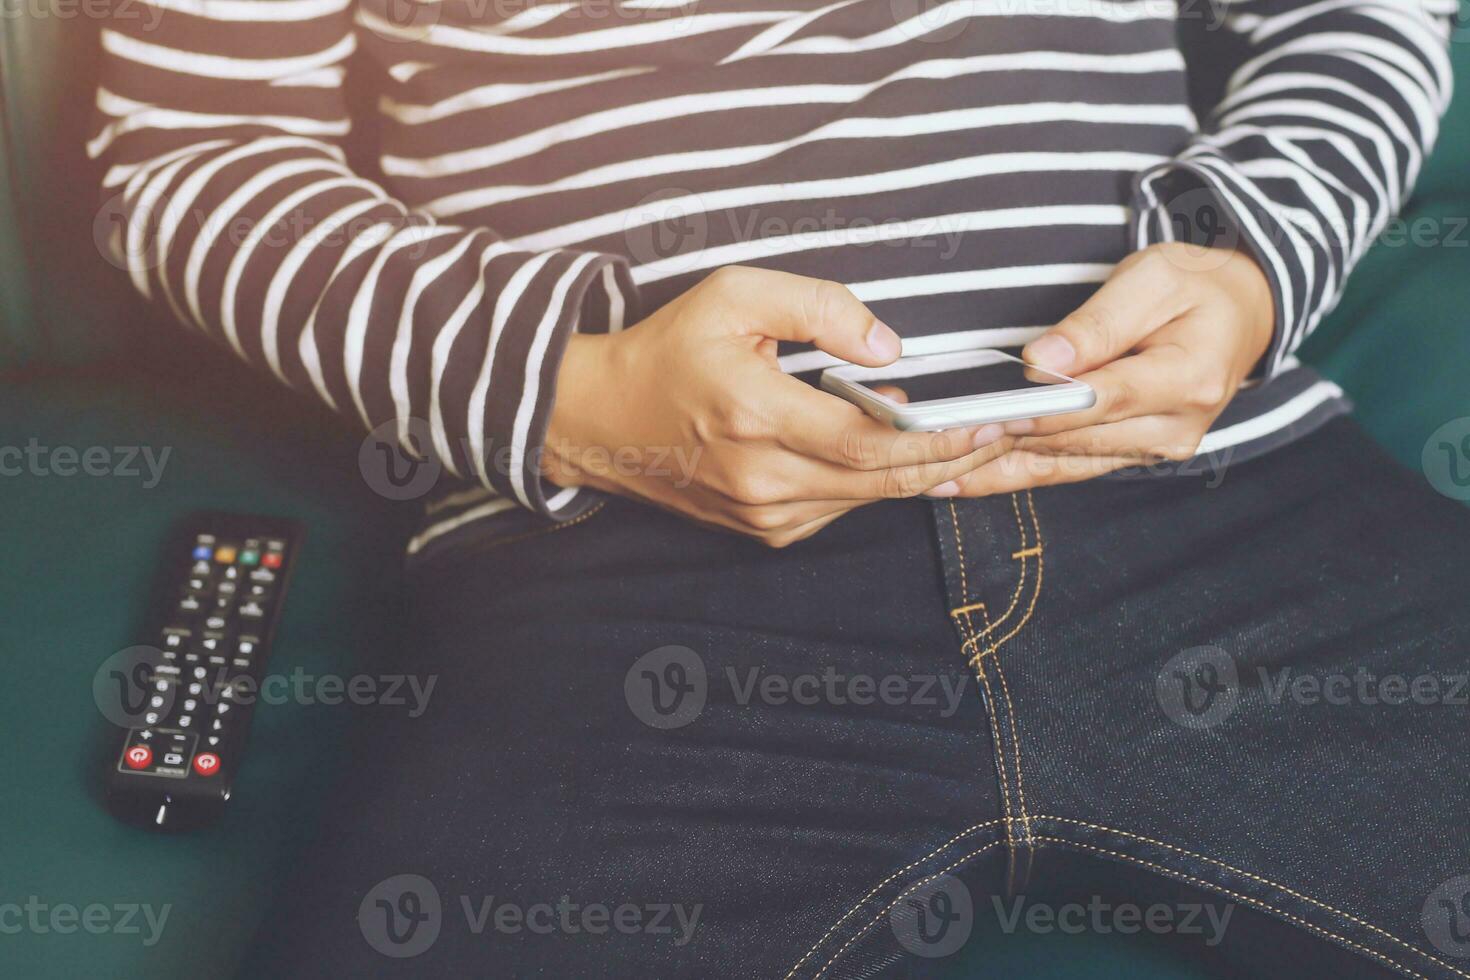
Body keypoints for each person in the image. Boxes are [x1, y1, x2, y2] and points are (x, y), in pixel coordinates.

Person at [91, 0, 1469, 974]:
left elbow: (1349, 13)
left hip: (1229, 495)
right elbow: (190, 152)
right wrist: (572, 397)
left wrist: (1249, 256)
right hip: (617, 565)